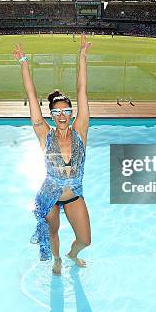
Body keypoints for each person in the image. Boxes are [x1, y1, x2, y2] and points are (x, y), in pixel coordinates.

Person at [13, 34, 92, 275]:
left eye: (67, 111)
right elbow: (31, 96)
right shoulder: (44, 133)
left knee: (85, 240)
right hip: (50, 194)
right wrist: (24, 62)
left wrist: (82, 57)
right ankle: (57, 259)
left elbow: (82, 90)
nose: (62, 115)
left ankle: (72, 254)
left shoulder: (80, 131)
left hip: (74, 194)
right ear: (50, 115)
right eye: (56, 112)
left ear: (71, 113)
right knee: (53, 231)